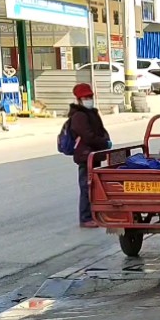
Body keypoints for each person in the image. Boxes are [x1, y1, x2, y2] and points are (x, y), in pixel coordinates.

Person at [68, 83, 111, 228]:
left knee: (93, 187)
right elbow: (88, 136)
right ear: (79, 99)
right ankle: (85, 218)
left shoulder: (92, 112)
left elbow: (100, 129)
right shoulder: (78, 116)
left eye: (90, 97)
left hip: (95, 154)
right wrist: (104, 143)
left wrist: (106, 139)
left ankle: (93, 215)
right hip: (85, 156)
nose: (88, 100)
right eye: (85, 97)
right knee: (86, 187)